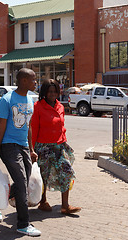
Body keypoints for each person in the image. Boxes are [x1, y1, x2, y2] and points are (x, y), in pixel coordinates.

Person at [0, 68, 41, 237]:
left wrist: (32, 149)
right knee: (21, 182)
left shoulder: (29, 99)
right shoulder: (6, 100)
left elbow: (28, 126)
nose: (36, 82)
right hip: (8, 146)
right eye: (34, 80)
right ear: (24, 81)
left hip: (24, 146)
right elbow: (0, 127)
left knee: (23, 183)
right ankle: (23, 224)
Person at [31, 79, 81, 215]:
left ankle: (65, 206)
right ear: (45, 93)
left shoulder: (60, 107)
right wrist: (31, 150)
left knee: (66, 172)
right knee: (43, 176)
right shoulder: (37, 107)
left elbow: (61, 127)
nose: (52, 94)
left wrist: (64, 142)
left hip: (59, 147)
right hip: (43, 147)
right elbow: (33, 129)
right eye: (50, 91)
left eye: (55, 91)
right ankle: (43, 202)